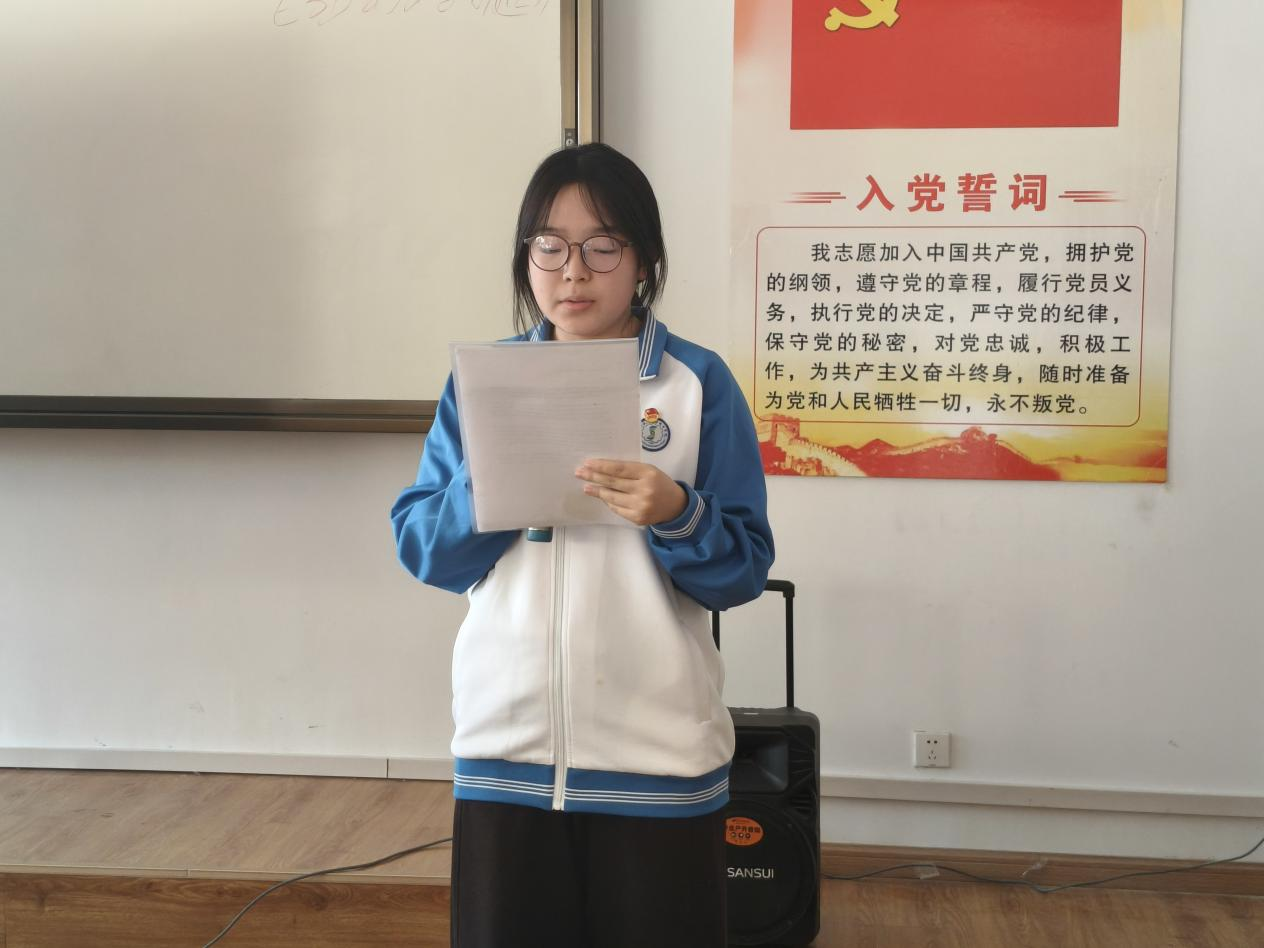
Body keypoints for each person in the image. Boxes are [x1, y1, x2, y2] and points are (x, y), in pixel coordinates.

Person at [391, 142, 773, 948]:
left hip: (659, 761)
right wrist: (488, 486)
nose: (573, 272)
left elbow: (741, 570)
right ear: (526, 257)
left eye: (602, 247)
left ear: (644, 261)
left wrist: (678, 513)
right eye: (550, 246)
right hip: (505, 752)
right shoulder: (482, 383)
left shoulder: (695, 383)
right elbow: (425, 549)